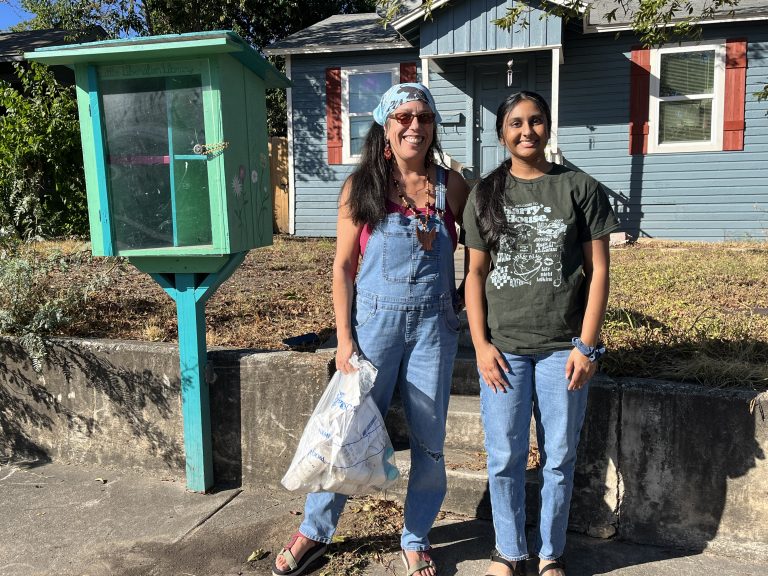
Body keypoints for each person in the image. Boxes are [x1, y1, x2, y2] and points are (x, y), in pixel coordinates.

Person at [273, 82, 469, 576]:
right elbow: (342, 267)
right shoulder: (360, 188)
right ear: (386, 125)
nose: (415, 125)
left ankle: (416, 536)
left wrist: (465, 299)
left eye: (423, 116)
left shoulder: (453, 186)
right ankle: (314, 533)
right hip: (372, 326)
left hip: (434, 327)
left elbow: (485, 248)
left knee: (429, 440)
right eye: (403, 116)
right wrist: (344, 339)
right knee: (346, 433)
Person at [462, 91, 619, 576]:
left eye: (535, 121)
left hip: (561, 351)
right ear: (502, 133)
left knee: (559, 457)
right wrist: (481, 346)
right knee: (505, 456)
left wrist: (587, 346)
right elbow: (473, 276)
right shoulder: (484, 194)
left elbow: (599, 271)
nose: (526, 131)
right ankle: (508, 551)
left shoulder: (580, 188)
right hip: (504, 350)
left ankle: (551, 554)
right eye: (515, 123)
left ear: (548, 127)